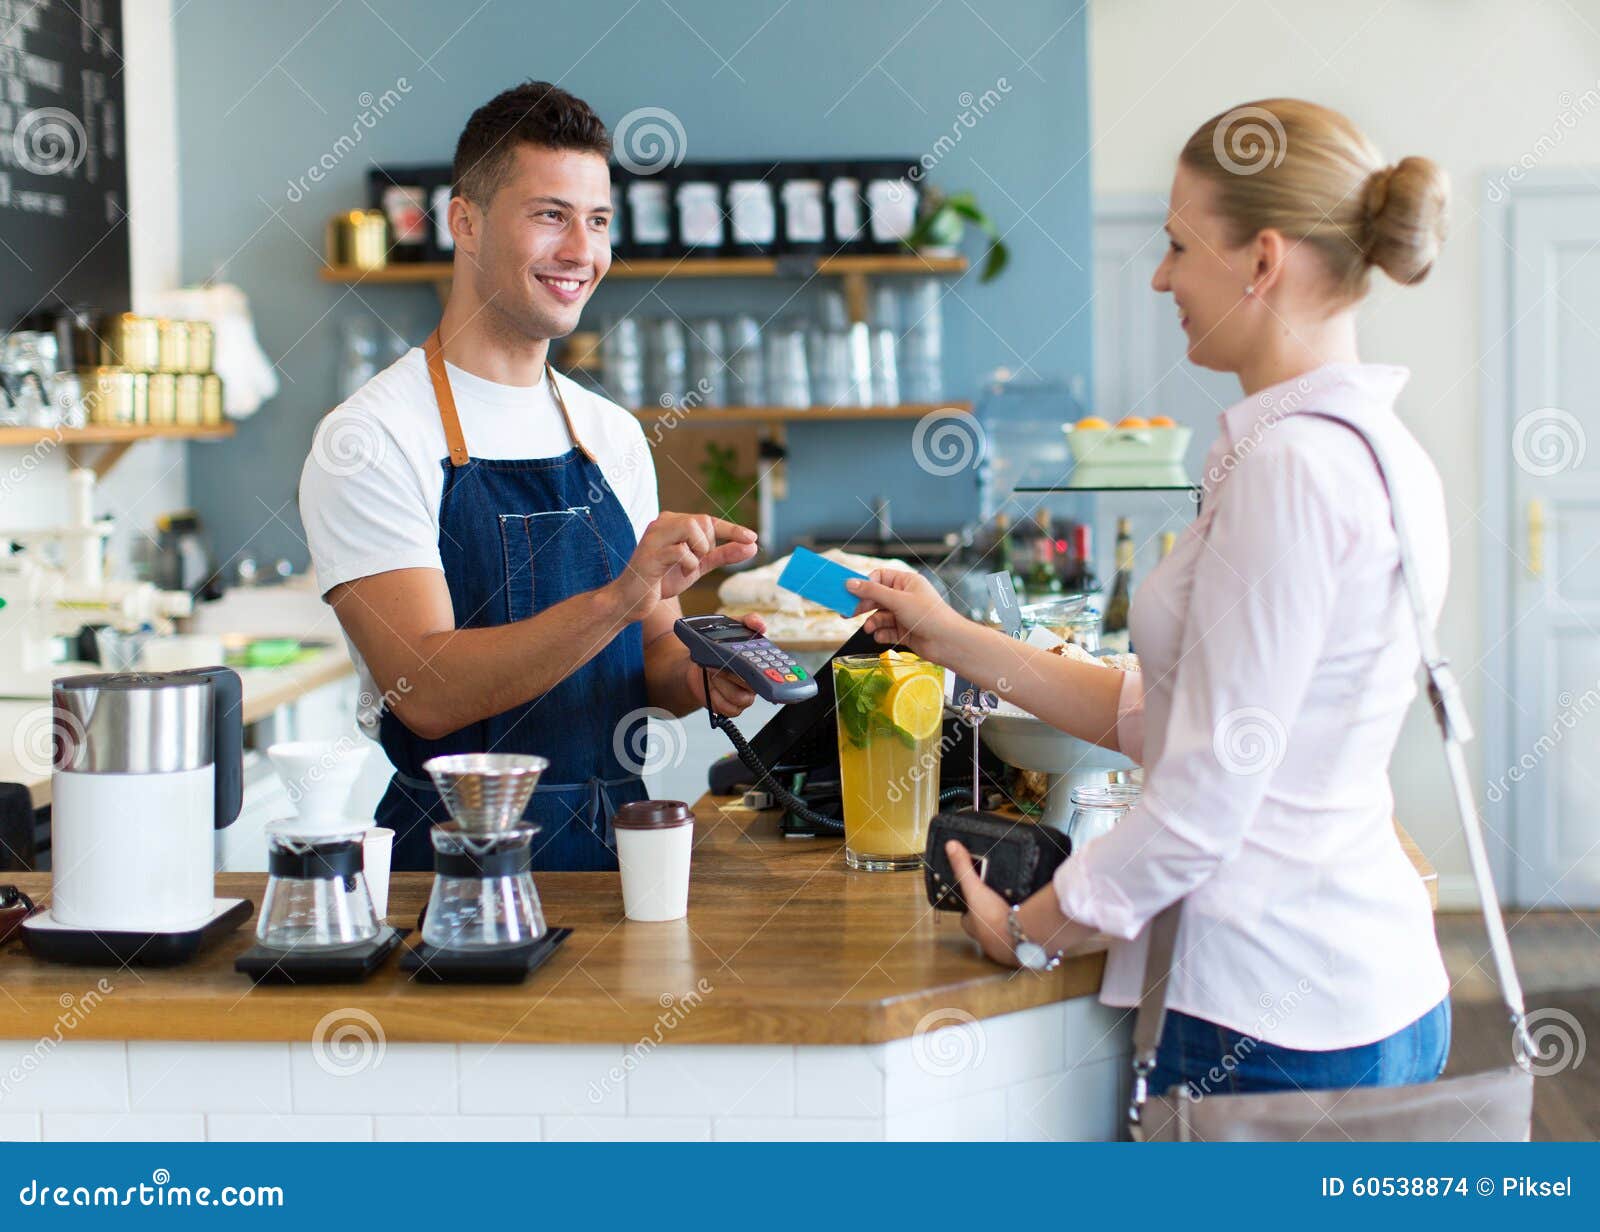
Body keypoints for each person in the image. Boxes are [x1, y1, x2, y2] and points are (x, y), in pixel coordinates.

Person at [847, 99, 1454, 1097]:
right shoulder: (1377, 448)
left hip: (1271, 1016)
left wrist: (1031, 928)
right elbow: (1168, 715)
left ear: (1261, 261)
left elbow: (1203, 797)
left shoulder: (1291, 469)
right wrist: (952, 636)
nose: (1162, 276)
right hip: (1367, 984)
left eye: (1176, 245)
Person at [299, 82, 764, 872]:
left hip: (622, 858)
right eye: (550, 214)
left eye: (598, 220)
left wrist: (706, 674)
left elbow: (652, 658)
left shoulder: (611, 434)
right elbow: (428, 691)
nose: (582, 252)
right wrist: (620, 596)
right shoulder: (371, 436)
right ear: (466, 222)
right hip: (452, 876)